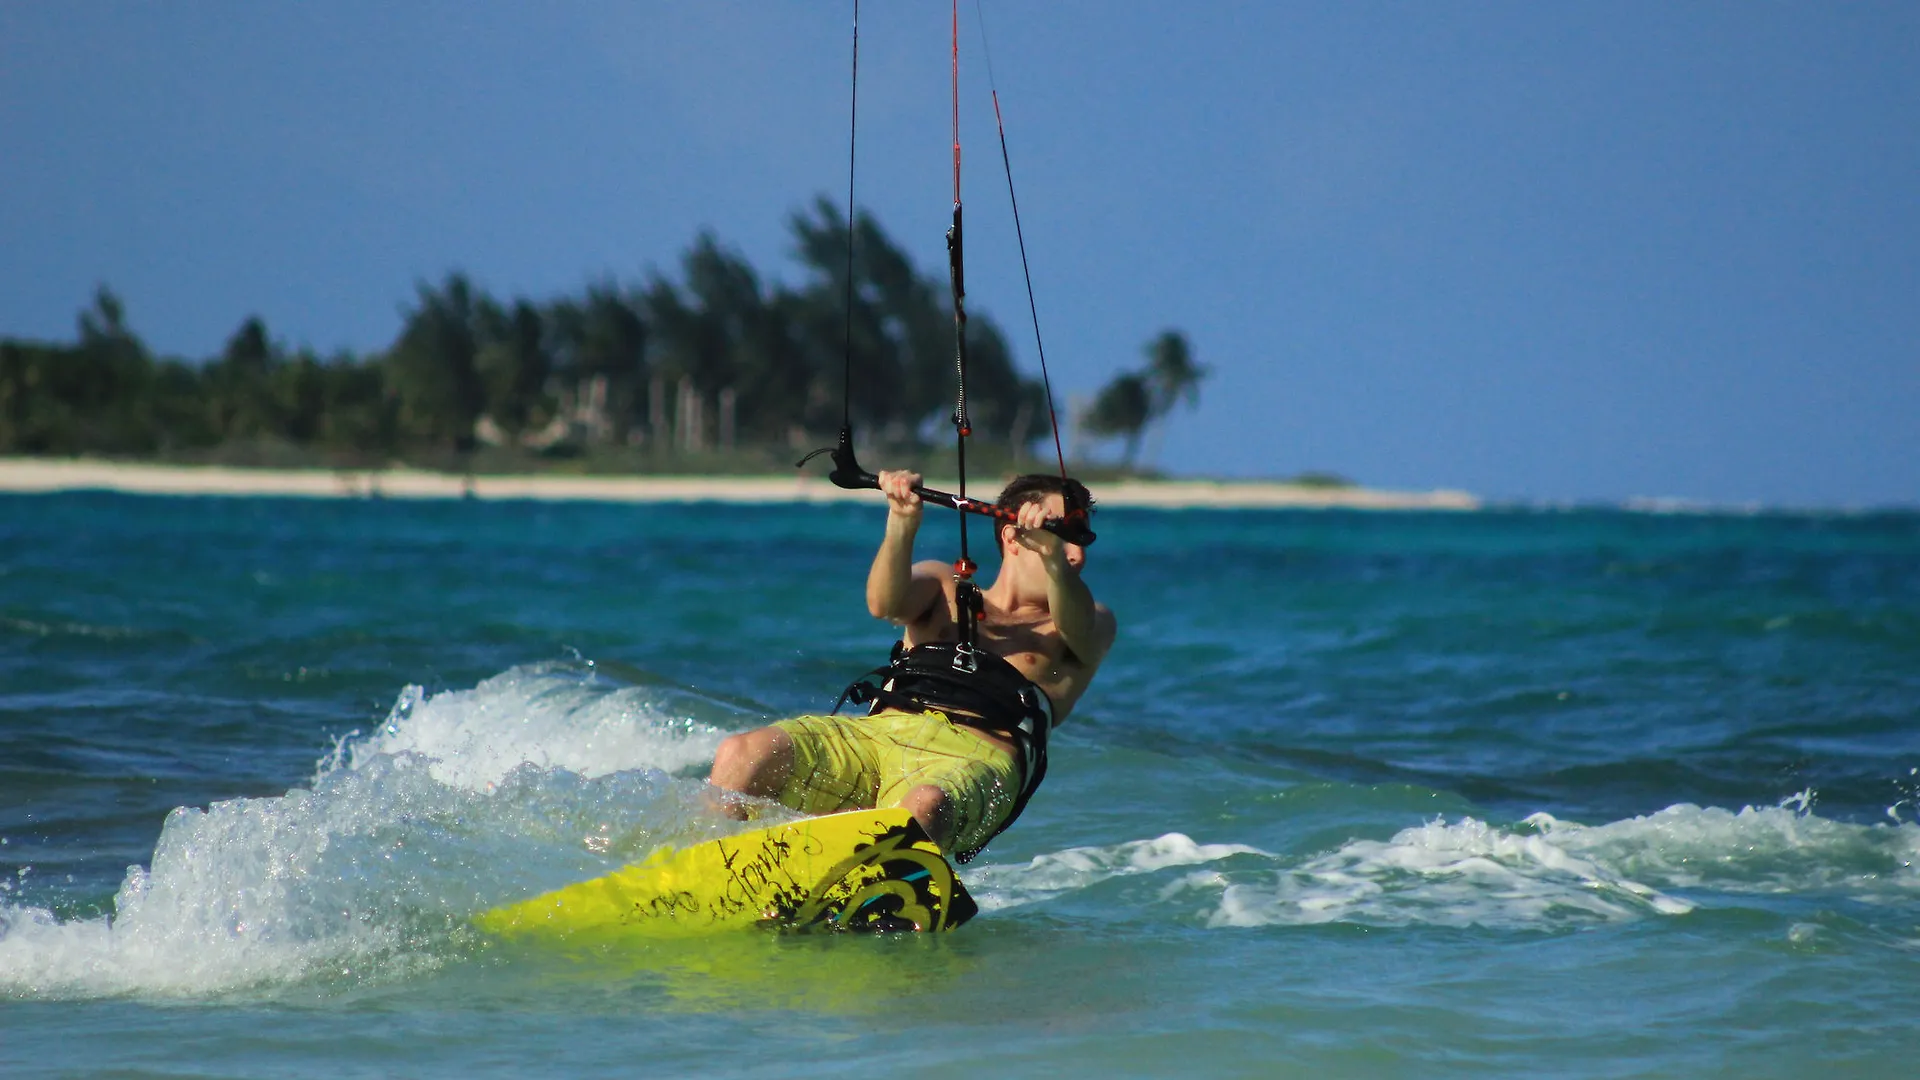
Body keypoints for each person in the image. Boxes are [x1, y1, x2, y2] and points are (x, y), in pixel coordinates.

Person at [707, 469, 1116, 861]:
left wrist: (1052, 559)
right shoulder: (943, 586)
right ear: (1013, 537)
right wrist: (902, 521)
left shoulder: (1086, 622)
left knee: (924, 804)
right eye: (1063, 536)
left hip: (974, 758)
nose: (1077, 555)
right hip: (877, 735)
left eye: (1082, 540)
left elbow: (1076, 622)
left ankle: (877, 901)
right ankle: (708, 871)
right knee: (744, 752)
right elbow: (883, 604)